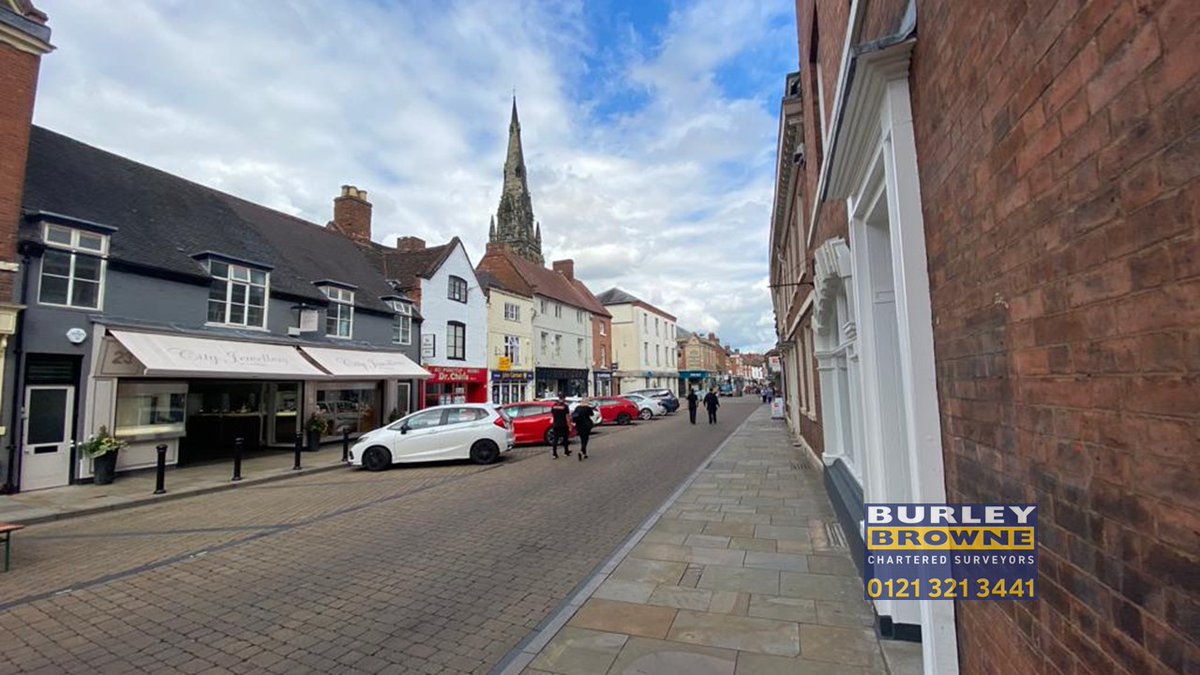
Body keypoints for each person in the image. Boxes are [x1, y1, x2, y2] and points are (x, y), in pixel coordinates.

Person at [550, 392, 571, 459]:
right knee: (565, 438)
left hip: (556, 424)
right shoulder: (565, 406)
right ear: (564, 398)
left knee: (555, 439)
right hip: (563, 425)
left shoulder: (554, 406)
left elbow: (552, 415)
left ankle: (554, 454)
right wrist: (569, 425)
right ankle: (566, 452)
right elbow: (567, 417)